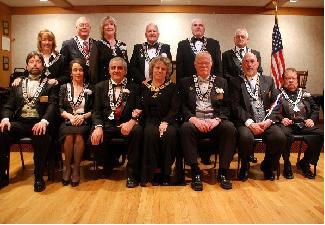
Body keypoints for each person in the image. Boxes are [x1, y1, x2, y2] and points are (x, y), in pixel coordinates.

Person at [0, 51, 58, 192]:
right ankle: (2, 175)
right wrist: (6, 118)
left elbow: (53, 106)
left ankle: (38, 177)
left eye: (38, 61)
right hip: (20, 123)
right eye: (31, 61)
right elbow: (8, 105)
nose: (35, 64)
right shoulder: (17, 84)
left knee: (40, 135)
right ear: (26, 66)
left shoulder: (50, 85)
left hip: (39, 123)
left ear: (43, 66)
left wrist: (44, 121)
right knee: (1, 132)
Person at [179, 51, 236, 191]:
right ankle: (195, 171)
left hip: (214, 122)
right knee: (185, 128)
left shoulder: (221, 82)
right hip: (195, 122)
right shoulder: (185, 82)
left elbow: (227, 106)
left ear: (211, 64)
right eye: (200, 63)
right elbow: (182, 106)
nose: (203, 65)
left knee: (229, 128)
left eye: (206, 62)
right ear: (195, 65)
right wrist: (193, 119)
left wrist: (217, 119)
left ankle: (223, 172)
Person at [229, 52, 286, 182]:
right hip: (246, 122)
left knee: (279, 137)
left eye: (252, 62)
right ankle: (245, 165)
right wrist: (250, 123)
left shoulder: (268, 80)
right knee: (244, 137)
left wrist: (268, 121)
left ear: (257, 64)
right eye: (246, 62)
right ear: (242, 64)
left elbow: (276, 103)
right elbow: (235, 106)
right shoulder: (235, 82)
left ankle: (268, 165)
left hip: (265, 121)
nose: (249, 65)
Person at [90, 57, 143, 188]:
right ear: (109, 70)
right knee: (94, 135)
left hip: (127, 123)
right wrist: (98, 127)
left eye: (120, 68)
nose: (116, 70)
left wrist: (132, 122)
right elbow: (96, 111)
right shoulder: (100, 87)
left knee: (137, 131)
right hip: (107, 124)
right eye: (113, 68)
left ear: (125, 71)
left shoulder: (135, 87)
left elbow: (140, 109)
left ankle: (132, 172)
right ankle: (107, 165)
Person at [270, 68, 323, 179]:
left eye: (293, 78)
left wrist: (312, 120)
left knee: (319, 134)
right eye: (288, 78)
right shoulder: (278, 93)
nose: (291, 80)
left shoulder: (305, 93)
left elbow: (315, 109)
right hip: (286, 125)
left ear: (297, 81)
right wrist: (281, 119)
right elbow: (272, 111)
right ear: (283, 80)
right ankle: (287, 163)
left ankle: (305, 162)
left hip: (303, 124)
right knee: (283, 134)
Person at [222, 28, 263, 164]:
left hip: (252, 92)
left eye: (243, 37)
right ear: (234, 39)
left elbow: (260, 72)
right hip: (235, 91)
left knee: (255, 118)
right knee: (238, 120)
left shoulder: (255, 53)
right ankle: (238, 150)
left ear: (247, 39)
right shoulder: (227, 54)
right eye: (238, 37)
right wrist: (239, 81)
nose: (240, 39)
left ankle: (249, 152)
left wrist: (250, 81)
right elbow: (224, 74)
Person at [140, 56, 180, 186]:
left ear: (167, 71)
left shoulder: (172, 87)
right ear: (152, 69)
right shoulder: (144, 87)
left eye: (163, 69)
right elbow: (141, 107)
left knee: (169, 134)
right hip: (150, 120)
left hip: (168, 120)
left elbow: (175, 108)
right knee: (150, 134)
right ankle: (155, 172)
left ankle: (166, 172)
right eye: (157, 68)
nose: (159, 70)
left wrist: (166, 121)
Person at [59, 59, 93, 187]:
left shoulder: (90, 88)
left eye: (80, 70)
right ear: (71, 72)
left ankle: (77, 169)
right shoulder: (64, 87)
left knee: (78, 136)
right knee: (68, 136)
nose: (78, 72)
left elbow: (94, 110)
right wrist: (70, 117)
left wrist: (83, 117)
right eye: (75, 70)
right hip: (67, 120)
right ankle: (67, 168)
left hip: (84, 120)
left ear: (84, 72)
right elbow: (60, 108)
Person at [176, 18, 222, 83]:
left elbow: (218, 66)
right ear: (191, 28)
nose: (198, 27)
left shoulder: (214, 44)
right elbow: (179, 69)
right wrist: (180, 86)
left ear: (204, 28)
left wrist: (218, 84)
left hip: (210, 84)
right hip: (188, 84)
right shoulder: (182, 45)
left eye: (200, 25)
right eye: (195, 25)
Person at [60, 16, 98, 85]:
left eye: (86, 25)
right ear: (76, 28)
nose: (84, 27)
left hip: (93, 85)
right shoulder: (67, 45)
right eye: (81, 25)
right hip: (75, 85)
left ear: (90, 28)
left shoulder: (97, 44)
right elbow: (63, 69)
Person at [96, 16, 128, 83]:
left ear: (115, 28)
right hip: (103, 83)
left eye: (111, 24)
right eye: (106, 25)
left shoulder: (122, 45)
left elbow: (126, 65)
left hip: (121, 82)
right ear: (102, 29)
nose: (109, 27)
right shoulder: (97, 45)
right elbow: (94, 68)